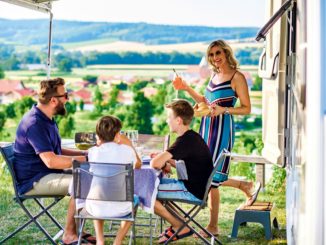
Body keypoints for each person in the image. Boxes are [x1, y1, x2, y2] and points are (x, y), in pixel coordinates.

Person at [172, 39, 261, 236]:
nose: (215, 58)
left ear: (226, 53)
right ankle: (242, 185)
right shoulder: (215, 74)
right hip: (206, 127)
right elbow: (206, 101)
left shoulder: (237, 77)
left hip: (222, 129)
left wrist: (224, 110)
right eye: (211, 55)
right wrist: (185, 88)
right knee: (206, 172)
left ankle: (213, 227)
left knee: (211, 178)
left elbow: (246, 108)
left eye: (218, 53)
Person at [13, 77, 95, 245]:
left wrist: (86, 153)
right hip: (34, 180)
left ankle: (78, 229)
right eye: (65, 95)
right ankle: (69, 235)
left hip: (45, 173)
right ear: (53, 100)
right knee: (82, 180)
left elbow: (56, 151)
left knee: (89, 173)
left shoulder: (46, 118)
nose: (67, 99)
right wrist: (86, 158)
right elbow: (51, 161)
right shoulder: (35, 123)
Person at [150, 99, 213, 243]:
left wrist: (162, 160)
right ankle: (179, 224)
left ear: (178, 120)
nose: (167, 121)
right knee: (152, 188)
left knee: (146, 193)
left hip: (191, 190)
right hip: (195, 187)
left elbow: (155, 163)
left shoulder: (184, 141)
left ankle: (180, 226)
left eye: (169, 117)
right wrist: (166, 161)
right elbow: (186, 165)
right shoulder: (191, 137)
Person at [85, 115, 141, 245]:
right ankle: (118, 241)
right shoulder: (127, 151)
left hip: (94, 208)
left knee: (99, 195)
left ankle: (100, 241)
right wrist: (130, 145)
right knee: (136, 199)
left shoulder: (92, 152)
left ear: (98, 136)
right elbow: (138, 165)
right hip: (122, 208)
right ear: (117, 135)